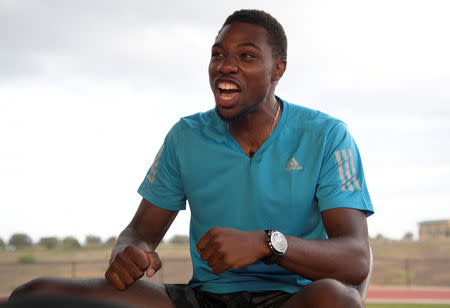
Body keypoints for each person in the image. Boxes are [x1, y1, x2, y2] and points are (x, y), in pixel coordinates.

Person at [10, 9, 373, 308]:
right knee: (33, 297)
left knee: (338, 300)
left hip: (291, 299)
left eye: (245, 56)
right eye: (218, 55)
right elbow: (140, 231)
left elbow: (355, 260)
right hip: (202, 300)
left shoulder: (326, 135)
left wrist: (267, 244)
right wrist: (129, 251)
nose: (225, 66)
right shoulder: (186, 136)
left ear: (278, 70)